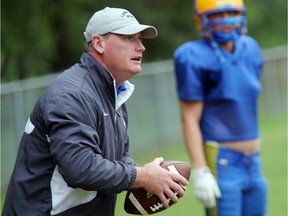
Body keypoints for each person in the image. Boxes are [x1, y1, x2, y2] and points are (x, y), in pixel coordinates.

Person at [2, 7, 189, 216]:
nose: (141, 47)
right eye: (129, 38)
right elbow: (80, 167)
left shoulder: (112, 92)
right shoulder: (72, 94)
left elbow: (118, 156)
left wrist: (147, 175)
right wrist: (142, 176)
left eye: (140, 38)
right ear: (99, 43)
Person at [173, 0, 267, 215]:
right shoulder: (192, 55)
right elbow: (189, 118)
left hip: (254, 161)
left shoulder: (251, 48)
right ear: (202, 19)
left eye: (232, 12)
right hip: (222, 161)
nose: (227, 20)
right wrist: (200, 170)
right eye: (218, 14)